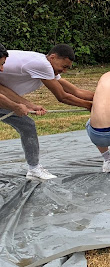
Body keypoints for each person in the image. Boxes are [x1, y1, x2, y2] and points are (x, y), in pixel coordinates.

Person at [0, 44, 94, 180]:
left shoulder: (43, 64)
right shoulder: (41, 65)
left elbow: (75, 91)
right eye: (64, 66)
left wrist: (104, 98)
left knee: (27, 125)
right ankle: (34, 168)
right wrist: (90, 107)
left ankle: (34, 169)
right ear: (53, 57)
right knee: (27, 125)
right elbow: (62, 96)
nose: (64, 71)